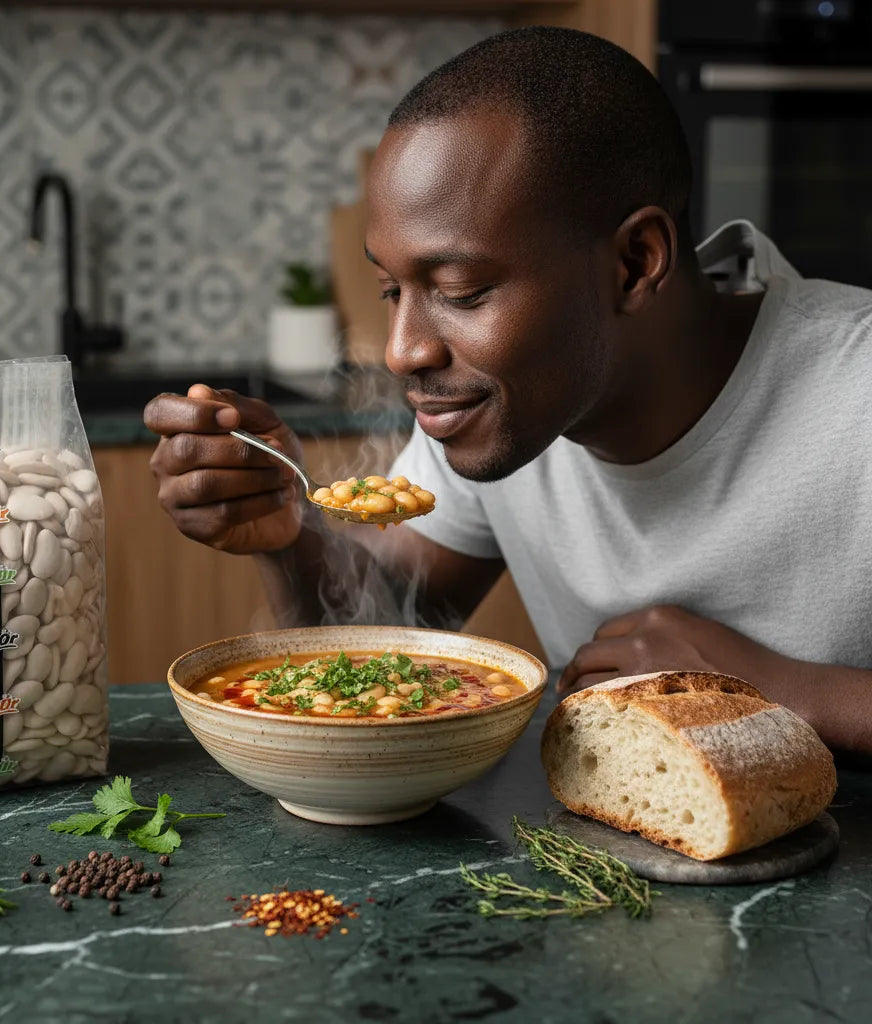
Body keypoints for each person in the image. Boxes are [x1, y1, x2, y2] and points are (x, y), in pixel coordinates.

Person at [144, 27, 872, 758]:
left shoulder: (855, 387)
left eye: (462, 290)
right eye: (392, 290)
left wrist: (777, 690)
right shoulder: (503, 402)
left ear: (633, 262)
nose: (403, 351)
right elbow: (386, 623)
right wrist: (290, 534)